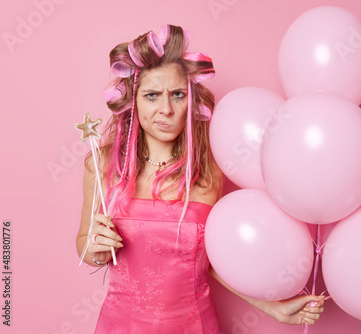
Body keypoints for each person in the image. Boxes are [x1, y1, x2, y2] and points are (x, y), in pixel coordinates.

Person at [76, 24, 324, 333]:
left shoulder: (207, 175)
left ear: (191, 102)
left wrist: (272, 307)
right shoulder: (101, 167)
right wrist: (95, 248)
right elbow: (85, 245)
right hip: (122, 325)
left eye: (177, 95)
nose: (166, 109)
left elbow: (214, 262)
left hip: (195, 324)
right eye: (152, 96)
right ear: (133, 102)